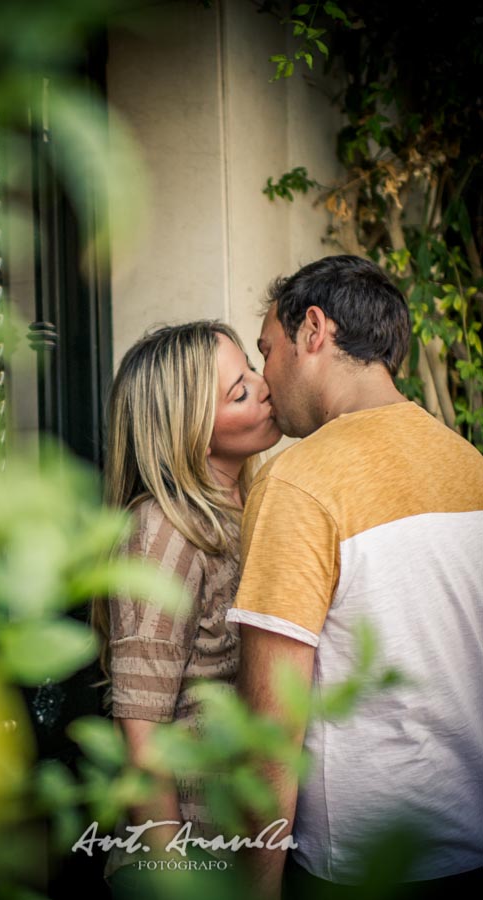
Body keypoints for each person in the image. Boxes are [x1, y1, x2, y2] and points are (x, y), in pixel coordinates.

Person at [226, 255, 483, 899]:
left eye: (267, 351)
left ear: (314, 331)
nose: (264, 377)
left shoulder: (298, 482)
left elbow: (272, 731)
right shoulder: (469, 464)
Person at [92, 320, 282, 897]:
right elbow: (143, 740)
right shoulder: (163, 530)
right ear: (196, 435)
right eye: (240, 391)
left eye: (251, 366)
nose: (265, 383)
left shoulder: (252, 505)